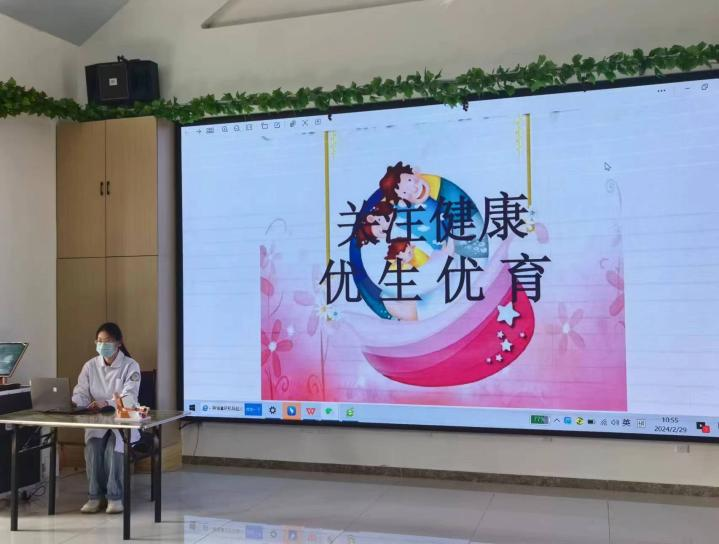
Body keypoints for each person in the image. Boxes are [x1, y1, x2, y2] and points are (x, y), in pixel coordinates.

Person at [71, 322, 141, 514]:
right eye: (100, 341)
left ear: (119, 342)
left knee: (113, 447)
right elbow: (81, 392)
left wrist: (107, 403)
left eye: (108, 341)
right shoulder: (90, 366)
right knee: (93, 448)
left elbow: (130, 397)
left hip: (124, 420)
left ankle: (114, 497)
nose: (103, 345)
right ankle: (94, 496)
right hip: (98, 421)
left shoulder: (131, 365)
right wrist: (76, 402)